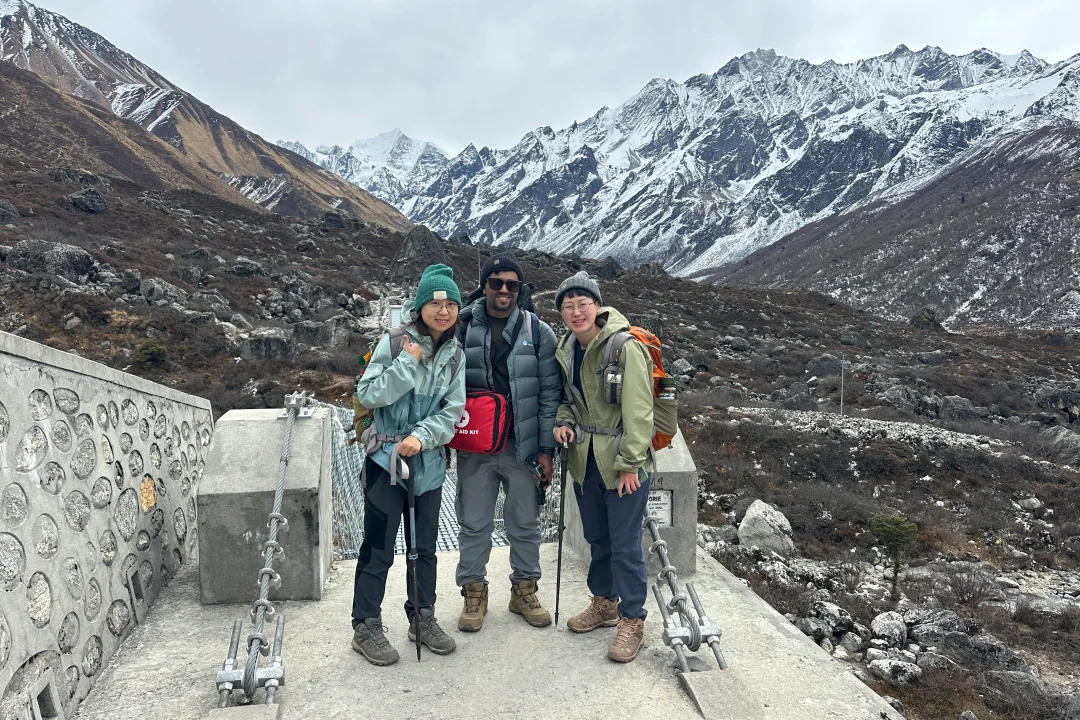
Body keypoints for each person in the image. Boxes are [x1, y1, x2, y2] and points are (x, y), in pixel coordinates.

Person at [350, 263, 467, 666]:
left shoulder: (455, 354)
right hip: (385, 463)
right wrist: (407, 365)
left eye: (451, 303)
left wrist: (423, 436)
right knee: (378, 548)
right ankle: (365, 625)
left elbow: (453, 411)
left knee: (425, 549)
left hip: (428, 464)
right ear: (420, 307)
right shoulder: (396, 343)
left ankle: (422, 616)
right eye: (436, 303)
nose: (444, 310)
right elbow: (368, 393)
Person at [551, 271, 654, 663]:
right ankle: (604, 603)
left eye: (583, 304)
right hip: (585, 461)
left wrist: (630, 463)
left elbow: (639, 411)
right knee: (599, 540)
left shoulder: (624, 348)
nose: (576, 312)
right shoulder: (567, 349)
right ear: (561, 312)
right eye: (568, 306)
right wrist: (563, 422)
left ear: (597, 306)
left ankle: (633, 618)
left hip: (621, 465)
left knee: (625, 545)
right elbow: (569, 400)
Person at [455, 253, 561, 631]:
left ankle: (525, 591)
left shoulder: (538, 332)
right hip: (476, 445)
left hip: (524, 446)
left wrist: (547, 450)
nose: (504, 290)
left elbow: (550, 394)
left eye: (511, 284)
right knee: (473, 522)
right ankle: (473, 594)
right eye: (496, 282)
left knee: (525, 522)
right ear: (483, 286)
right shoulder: (462, 326)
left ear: (520, 289)